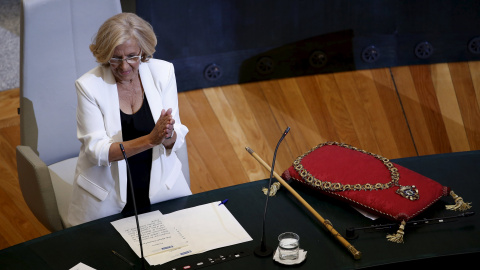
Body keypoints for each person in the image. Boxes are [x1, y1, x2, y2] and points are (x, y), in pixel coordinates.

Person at [67, 13, 191, 226]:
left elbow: (176, 137)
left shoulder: (163, 72)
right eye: (115, 58)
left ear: (142, 51)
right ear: (105, 55)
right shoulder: (88, 85)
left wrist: (168, 134)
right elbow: (97, 151)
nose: (124, 67)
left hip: (161, 189)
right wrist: (151, 140)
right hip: (107, 199)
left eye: (132, 56)